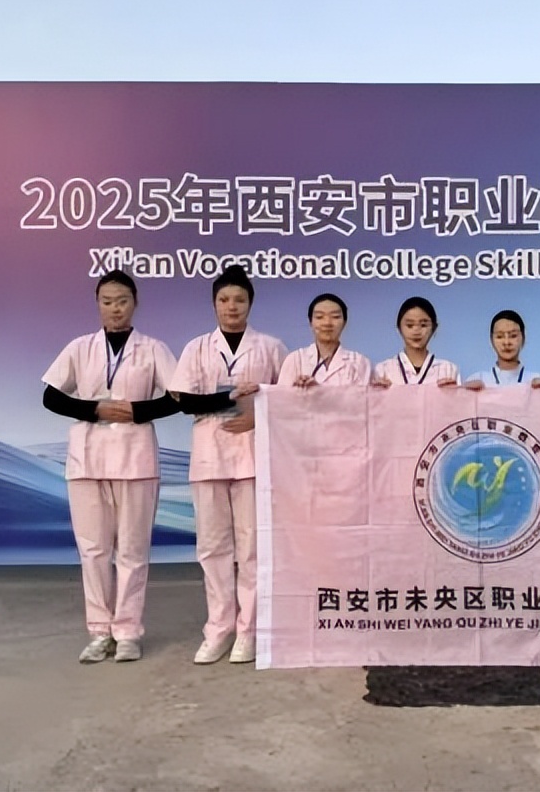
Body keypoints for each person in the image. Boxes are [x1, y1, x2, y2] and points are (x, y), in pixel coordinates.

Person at [41, 269, 178, 664]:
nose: (115, 308)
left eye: (122, 301)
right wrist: (94, 409)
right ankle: (100, 632)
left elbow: (178, 397)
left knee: (132, 549)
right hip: (87, 458)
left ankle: (128, 631)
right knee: (94, 549)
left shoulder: (153, 349)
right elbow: (51, 396)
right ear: (97, 305)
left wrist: (137, 411)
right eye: (107, 301)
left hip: (135, 459)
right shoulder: (80, 347)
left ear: (135, 303)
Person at [170, 265, 287, 666]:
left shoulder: (270, 347)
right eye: (224, 300)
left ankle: (248, 631)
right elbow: (185, 400)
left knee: (251, 546)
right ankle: (219, 628)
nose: (232, 306)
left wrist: (257, 415)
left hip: (253, 455)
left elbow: (287, 399)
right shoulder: (197, 348)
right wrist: (228, 398)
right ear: (214, 305)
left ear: (250, 303)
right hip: (208, 456)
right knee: (213, 546)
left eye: (239, 299)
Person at [278, 293, 372, 386]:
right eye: (319, 317)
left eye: (335, 317)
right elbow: (281, 394)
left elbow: (364, 396)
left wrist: (318, 391)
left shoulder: (359, 362)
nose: (327, 323)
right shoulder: (295, 360)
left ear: (344, 322)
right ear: (310, 322)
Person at [371, 296, 459, 387]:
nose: (416, 331)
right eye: (410, 325)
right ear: (399, 329)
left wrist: (451, 393)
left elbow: (461, 396)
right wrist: (378, 392)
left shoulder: (448, 370)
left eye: (423, 325)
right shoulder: (383, 370)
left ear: (434, 328)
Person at [463, 309, 540, 389]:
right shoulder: (478, 379)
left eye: (513, 336)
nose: (506, 342)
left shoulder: (538, 380)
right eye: (500, 336)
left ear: (523, 338)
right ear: (491, 340)